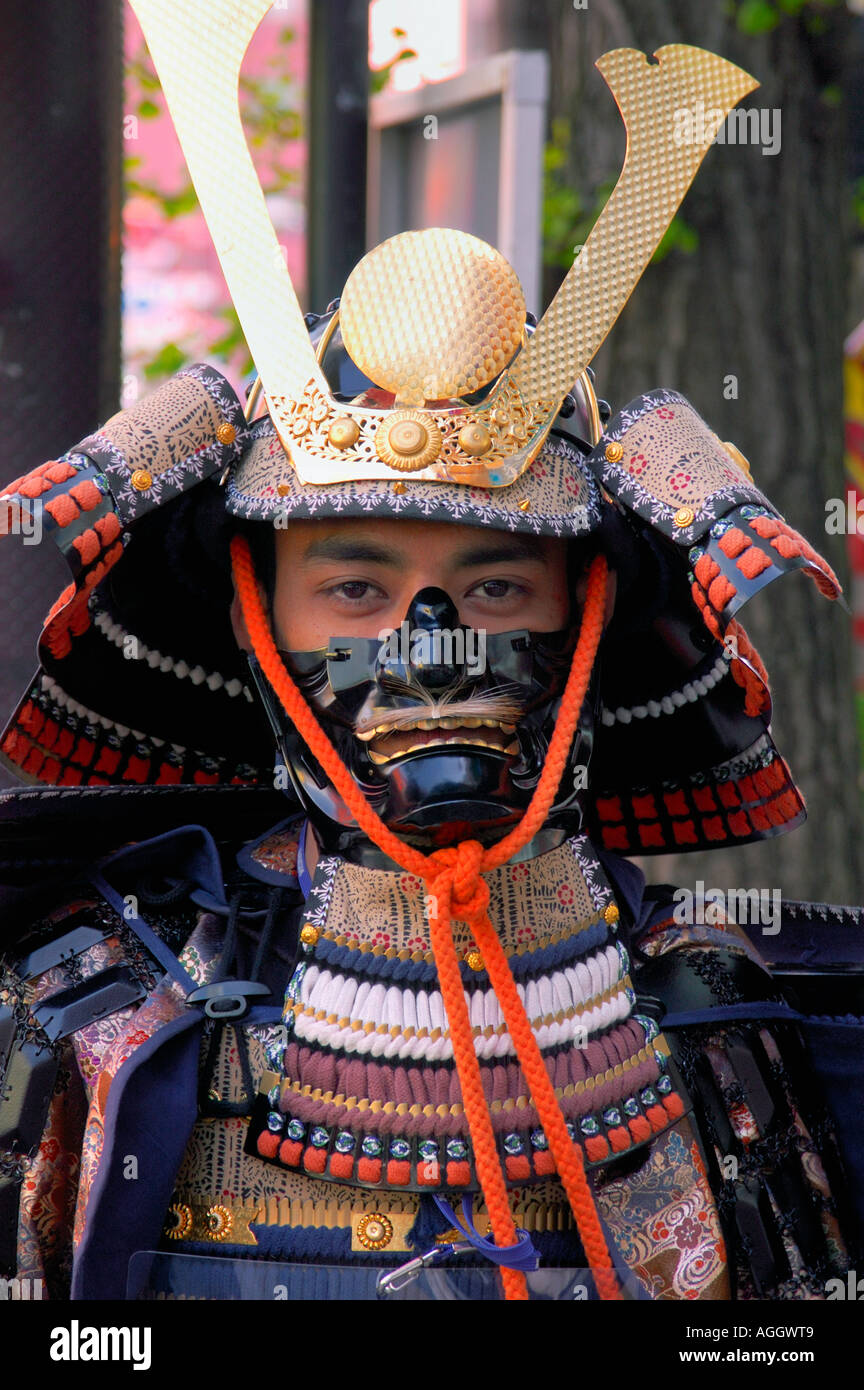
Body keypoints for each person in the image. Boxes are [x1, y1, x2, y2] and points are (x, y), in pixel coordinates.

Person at [0, 21, 860, 1302]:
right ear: (254, 619)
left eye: (496, 583)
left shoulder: (724, 1014)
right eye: (356, 586)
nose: (432, 642)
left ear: (585, 618)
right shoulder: (99, 1006)